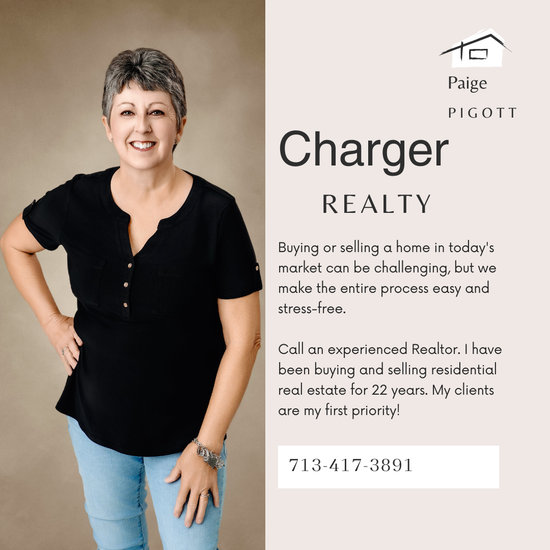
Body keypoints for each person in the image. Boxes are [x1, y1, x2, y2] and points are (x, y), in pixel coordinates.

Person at [0, 48, 262, 550]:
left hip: (188, 437)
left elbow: (244, 340)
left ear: (180, 125)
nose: (142, 126)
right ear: (107, 125)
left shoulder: (216, 214)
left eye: (157, 111)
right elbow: (15, 242)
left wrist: (206, 449)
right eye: (127, 111)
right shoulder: (78, 199)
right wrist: (53, 321)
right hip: (97, 425)